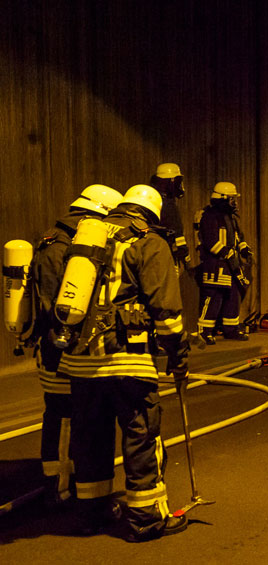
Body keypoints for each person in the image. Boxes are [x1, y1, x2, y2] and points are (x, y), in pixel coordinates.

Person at [58, 185, 189, 541]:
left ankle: (91, 513)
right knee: (141, 436)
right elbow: (167, 313)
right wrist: (178, 358)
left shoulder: (88, 237)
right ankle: (146, 519)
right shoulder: (149, 243)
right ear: (153, 214)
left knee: (91, 438)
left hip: (81, 362)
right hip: (127, 360)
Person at [29, 184, 124, 505]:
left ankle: (64, 483)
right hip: (58, 345)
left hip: (54, 343)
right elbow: (59, 303)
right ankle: (57, 486)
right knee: (63, 413)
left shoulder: (56, 239)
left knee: (66, 413)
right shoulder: (62, 247)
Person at [196, 182, 251, 344]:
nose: (234, 202)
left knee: (233, 296)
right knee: (213, 297)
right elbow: (210, 240)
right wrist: (226, 252)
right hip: (215, 265)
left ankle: (231, 329)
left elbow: (237, 237)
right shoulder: (210, 216)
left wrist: (243, 248)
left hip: (230, 265)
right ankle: (204, 331)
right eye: (232, 199)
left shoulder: (230, 217)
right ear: (223, 199)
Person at [149, 163, 190, 267]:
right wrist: (185, 255)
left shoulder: (154, 198)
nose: (179, 185)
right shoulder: (167, 204)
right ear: (170, 181)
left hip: (155, 253)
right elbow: (175, 230)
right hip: (166, 255)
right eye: (178, 181)